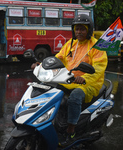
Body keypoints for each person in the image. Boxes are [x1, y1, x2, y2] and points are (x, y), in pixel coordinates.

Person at [31, 14, 108, 146]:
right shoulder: (70, 43)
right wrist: (42, 65)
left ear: (88, 30)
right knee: (46, 90)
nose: (79, 32)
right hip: (67, 79)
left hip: (88, 83)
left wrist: (83, 78)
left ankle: (70, 130)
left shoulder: (97, 46)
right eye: (77, 29)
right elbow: (58, 58)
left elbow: (98, 68)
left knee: (75, 97)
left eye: (82, 29)